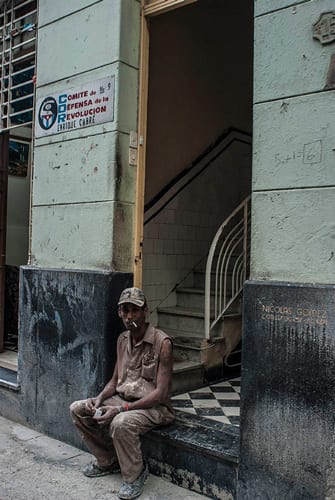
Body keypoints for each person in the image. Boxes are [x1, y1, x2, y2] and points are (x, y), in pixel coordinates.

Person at [70, 287, 175, 500]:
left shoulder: (162, 343)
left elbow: (161, 393)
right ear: (119, 313)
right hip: (122, 399)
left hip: (154, 407)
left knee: (120, 422)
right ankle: (108, 460)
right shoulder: (122, 340)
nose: (129, 317)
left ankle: (135, 475)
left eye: (134, 310)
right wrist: (98, 399)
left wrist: (120, 408)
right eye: (124, 311)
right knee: (78, 409)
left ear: (146, 311)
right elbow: (115, 381)